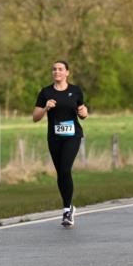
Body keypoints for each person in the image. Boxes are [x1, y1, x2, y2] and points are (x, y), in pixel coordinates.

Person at [33, 61, 88, 228]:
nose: (56, 72)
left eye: (60, 69)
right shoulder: (46, 92)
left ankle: (67, 211)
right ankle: (68, 206)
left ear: (67, 73)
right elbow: (35, 117)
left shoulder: (75, 91)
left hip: (72, 136)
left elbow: (83, 112)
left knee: (65, 169)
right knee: (60, 174)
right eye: (54, 69)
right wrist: (45, 108)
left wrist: (84, 112)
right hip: (54, 137)